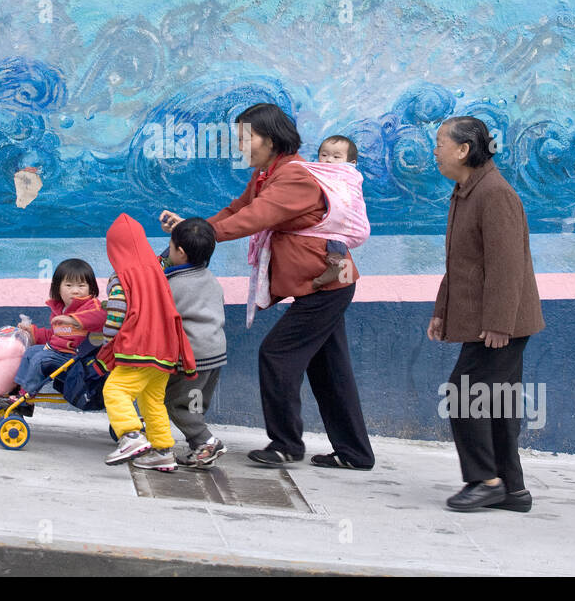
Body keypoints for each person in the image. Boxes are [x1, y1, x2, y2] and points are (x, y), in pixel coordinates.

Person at [161, 103, 375, 470]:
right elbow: (235, 210)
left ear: (271, 139)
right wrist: (192, 228)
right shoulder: (267, 174)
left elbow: (254, 218)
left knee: (276, 356)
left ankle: (286, 444)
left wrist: (195, 234)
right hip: (320, 284)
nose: (241, 146)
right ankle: (355, 453)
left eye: (247, 138)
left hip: (326, 286)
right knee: (330, 369)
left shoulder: (293, 178)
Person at [426, 116, 545, 512]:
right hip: (490, 321)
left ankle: (484, 480)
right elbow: (459, 263)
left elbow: (507, 265)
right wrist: (442, 312)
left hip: (500, 324)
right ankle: (512, 490)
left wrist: (499, 324)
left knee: (463, 394)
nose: (435, 150)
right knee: (497, 405)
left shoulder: (494, 194)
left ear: (463, 149)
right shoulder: (465, 192)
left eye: (440, 143)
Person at [99, 213, 197, 471]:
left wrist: (109, 341)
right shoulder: (157, 269)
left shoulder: (122, 275)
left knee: (115, 391)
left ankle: (130, 436)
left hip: (138, 347)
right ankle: (163, 450)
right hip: (166, 348)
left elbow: (118, 309)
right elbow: (164, 258)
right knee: (151, 400)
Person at [158, 218, 229, 467]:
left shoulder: (173, 285)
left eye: (171, 244)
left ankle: (206, 441)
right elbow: (173, 259)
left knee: (177, 404)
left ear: (181, 252)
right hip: (215, 352)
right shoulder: (208, 276)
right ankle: (200, 450)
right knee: (196, 403)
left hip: (192, 357)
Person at [8, 259, 106, 406]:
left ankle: (26, 396)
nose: (75, 290)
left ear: (91, 288)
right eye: (68, 285)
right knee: (31, 353)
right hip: (56, 352)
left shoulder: (92, 306)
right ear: (58, 288)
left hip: (76, 360)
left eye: (81, 285)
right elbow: (54, 336)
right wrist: (33, 332)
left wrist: (73, 320)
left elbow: (101, 318)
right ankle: (17, 389)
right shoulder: (60, 310)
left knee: (40, 359)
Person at [312, 135, 360, 290]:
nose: (328, 160)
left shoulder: (347, 174)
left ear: (351, 163)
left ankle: (335, 265)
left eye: (336, 157)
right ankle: (337, 270)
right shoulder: (321, 172)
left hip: (345, 219)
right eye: (324, 155)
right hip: (335, 217)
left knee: (336, 237)